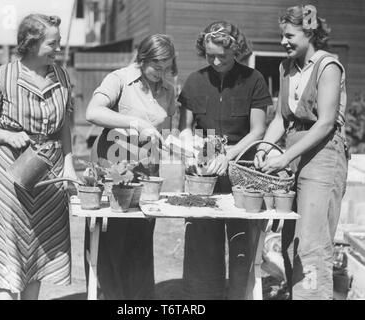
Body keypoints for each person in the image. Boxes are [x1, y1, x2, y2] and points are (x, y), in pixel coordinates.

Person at [0, 14, 78, 300]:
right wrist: (6, 135)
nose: (59, 48)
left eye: (59, 42)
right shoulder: (3, 76)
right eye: (52, 43)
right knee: (8, 250)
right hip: (9, 175)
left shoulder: (62, 76)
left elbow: (66, 125)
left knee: (38, 253)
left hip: (49, 177)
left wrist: (69, 164)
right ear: (31, 44)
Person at [254, 5, 348, 300]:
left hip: (324, 155)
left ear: (310, 33)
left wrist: (284, 156)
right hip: (296, 152)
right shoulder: (286, 68)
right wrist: (265, 147)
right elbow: (282, 120)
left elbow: (325, 123)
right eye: (282, 36)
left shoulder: (328, 66)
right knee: (290, 242)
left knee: (312, 244)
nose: (283, 42)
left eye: (289, 35)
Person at [178, 21, 272, 299]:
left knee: (242, 239)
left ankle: (239, 294)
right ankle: (201, 297)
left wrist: (228, 155)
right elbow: (185, 127)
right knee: (201, 237)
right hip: (203, 171)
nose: (216, 61)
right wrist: (191, 150)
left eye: (223, 55)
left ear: (237, 50)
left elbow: (258, 129)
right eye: (210, 55)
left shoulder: (253, 79)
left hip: (241, 170)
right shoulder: (195, 80)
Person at [85, 34, 178, 299]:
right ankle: (108, 296)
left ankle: (138, 301)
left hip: (148, 172)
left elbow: (166, 131)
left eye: (167, 68)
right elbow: (93, 112)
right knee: (109, 241)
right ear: (142, 58)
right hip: (112, 168)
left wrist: (182, 145)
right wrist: (134, 123)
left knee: (139, 241)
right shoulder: (119, 79)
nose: (161, 74)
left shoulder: (168, 90)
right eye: (156, 67)